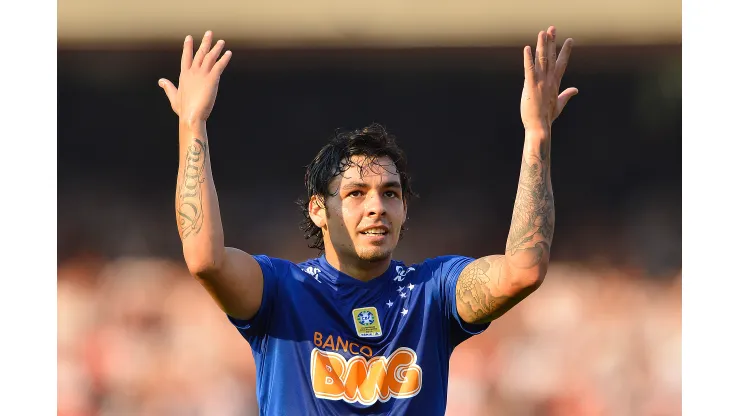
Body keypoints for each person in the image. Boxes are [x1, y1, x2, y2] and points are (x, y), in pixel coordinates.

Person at [158, 25, 578, 416]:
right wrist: (192, 124)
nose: (377, 206)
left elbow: (523, 270)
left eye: (390, 193)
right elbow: (205, 260)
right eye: (356, 194)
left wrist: (537, 133)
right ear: (318, 210)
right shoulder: (282, 293)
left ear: (404, 210)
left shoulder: (431, 293)